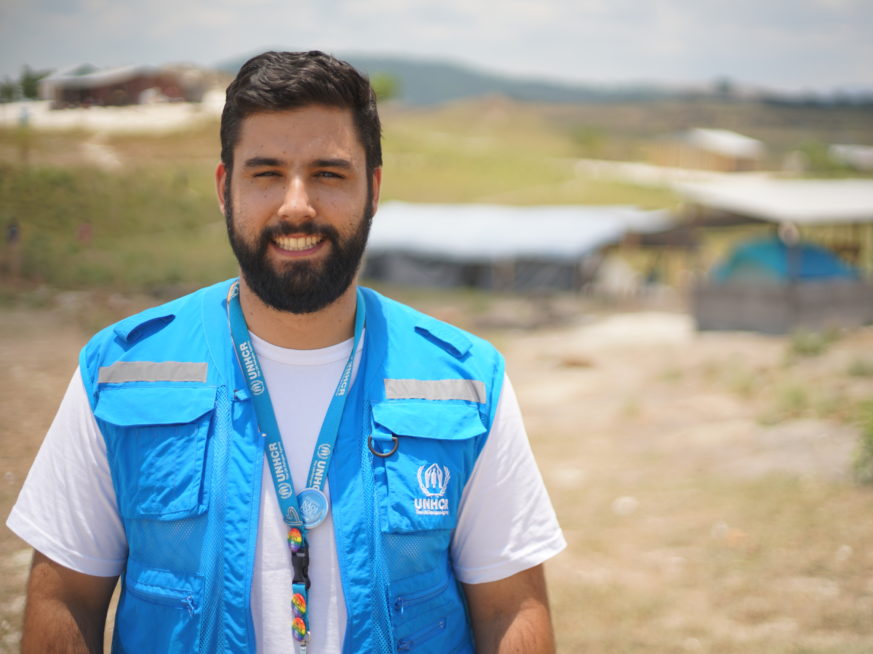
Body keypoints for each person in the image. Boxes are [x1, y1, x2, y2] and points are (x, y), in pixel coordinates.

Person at [6, 50, 565, 654]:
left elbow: (510, 608)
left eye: (328, 173)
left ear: (373, 188)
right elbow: (65, 595)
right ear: (226, 189)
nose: (296, 205)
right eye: (266, 173)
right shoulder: (118, 371)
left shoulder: (466, 381)